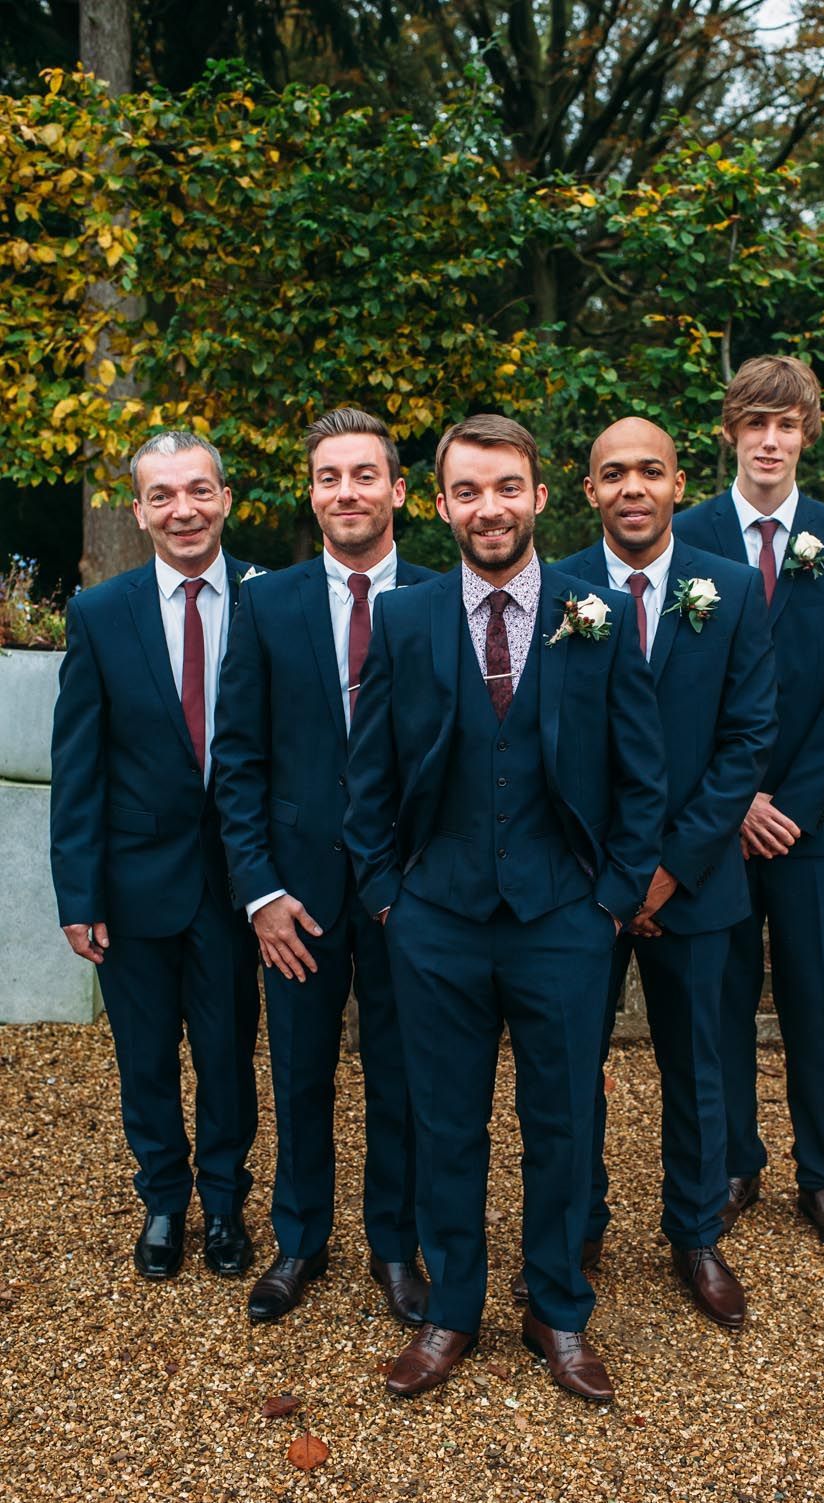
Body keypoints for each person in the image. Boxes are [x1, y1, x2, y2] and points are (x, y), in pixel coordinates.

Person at [345, 414, 669, 1401]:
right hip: (434, 921)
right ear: (440, 503)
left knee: (563, 1122)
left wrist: (611, 901)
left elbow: (641, 776)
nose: (490, 508)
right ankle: (451, 1314)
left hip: (562, 923)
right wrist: (389, 897)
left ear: (538, 495)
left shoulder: (596, 612)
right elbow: (367, 781)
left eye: (507, 488)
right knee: (444, 1124)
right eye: (469, 491)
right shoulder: (402, 621)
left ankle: (557, 1311)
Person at [212, 408, 434, 1326]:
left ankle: (396, 1245)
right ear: (313, 493)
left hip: (411, 894)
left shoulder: (439, 595)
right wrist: (260, 890)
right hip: (296, 894)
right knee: (298, 1070)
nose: (347, 492)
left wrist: (430, 888)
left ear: (398, 489)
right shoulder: (267, 603)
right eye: (329, 477)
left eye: (364, 474)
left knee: (405, 1075)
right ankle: (299, 1240)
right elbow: (238, 760)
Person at [554, 417, 777, 1329]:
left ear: (680, 482)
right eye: (614, 474)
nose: (633, 487)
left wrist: (671, 867)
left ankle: (695, 1233)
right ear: (590, 490)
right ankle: (580, 1225)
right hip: (579, 884)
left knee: (699, 1065)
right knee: (570, 1067)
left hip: (697, 879)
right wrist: (614, 873)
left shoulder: (729, 589)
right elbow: (546, 743)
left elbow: (746, 739)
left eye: (650, 470)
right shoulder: (557, 589)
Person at [673, 355, 824, 1258]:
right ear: (730, 432)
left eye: (786, 425)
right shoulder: (685, 534)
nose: (769, 440)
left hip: (809, 823)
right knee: (717, 999)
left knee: (811, 995)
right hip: (717, 818)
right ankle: (732, 1160)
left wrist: (786, 803)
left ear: (808, 433)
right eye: (754, 423)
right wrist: (735, 801)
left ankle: (823, 1172)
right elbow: (671, 688)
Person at [50, 430, 261, 1282]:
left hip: (240, 881)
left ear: (225, 498)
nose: (184, 509)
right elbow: (79, 763)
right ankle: (164, 1200)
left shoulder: (267, 599)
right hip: (134, 884)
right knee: (144, 1055)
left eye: (199, 490)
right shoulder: (100, 613)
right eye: (163, 495)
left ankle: (225, 1200)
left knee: (227, 1054)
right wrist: (78, 892)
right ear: (138, 510)